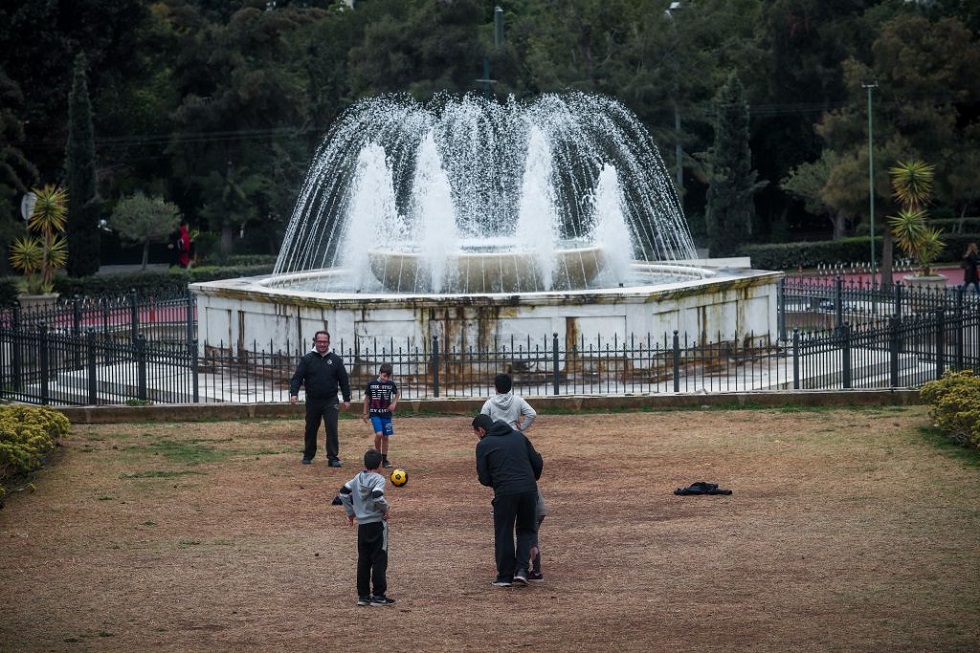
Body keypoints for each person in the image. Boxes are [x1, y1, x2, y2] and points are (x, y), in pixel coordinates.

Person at [480, 372, 546, 581]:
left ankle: (506, 573)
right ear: (510, 386)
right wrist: (521, 427)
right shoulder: (517, 403)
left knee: (505, 526)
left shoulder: (489, 405)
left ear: (495, 387)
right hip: (517, 450)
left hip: (497, 453)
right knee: (528, 522)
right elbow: (532, 413)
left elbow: (483, 420)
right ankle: (525, 568)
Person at [471, 413, 543, 588]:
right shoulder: (519, 437)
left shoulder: (484, 445)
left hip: (505, 492)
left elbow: (484, 477)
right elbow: (537, 462)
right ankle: (522, 571)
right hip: (528, 489)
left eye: (476, 433)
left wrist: (496, 482)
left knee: (504, 531)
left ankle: (504, 576)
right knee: (526, 530)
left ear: (481, 430)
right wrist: (530, 478)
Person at [338, 449, 395, 607]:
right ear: (380, 464)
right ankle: (378, 596)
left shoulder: (357, 478)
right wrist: (386, 509)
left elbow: (343, 492)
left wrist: (351, 513)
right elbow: (377, 495)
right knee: (379, 559)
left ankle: (363, 596)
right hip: (377, 524)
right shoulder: (379, 479)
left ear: (364, 464)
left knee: (364, 560)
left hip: (362, 526)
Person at [290, 330, 351, 466]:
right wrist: (294, 393)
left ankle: (333, 458)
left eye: (325, 342)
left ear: (329, 343)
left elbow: (344, 380)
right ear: (315, 342)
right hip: (313, 401)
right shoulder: (307, 359)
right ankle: (308, 455)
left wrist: (347, 398)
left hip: (330, 400)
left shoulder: (335, 360)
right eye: (320, 341)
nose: (322, 344)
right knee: (311, 428)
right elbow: (297, 378)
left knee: (332, 428)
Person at [362, 362, 399, 468]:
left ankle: (384, 459)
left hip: (386, 415)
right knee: (379, 434)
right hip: (374, 414)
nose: (385, 379)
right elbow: (367, 398)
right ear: (379, 373)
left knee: (386, 437)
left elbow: (397, 393)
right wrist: (365, 413)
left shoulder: (390, 384)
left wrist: (394, 403)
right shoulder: (372, 384)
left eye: (388, 377)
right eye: (384, 376)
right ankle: (377, 456)